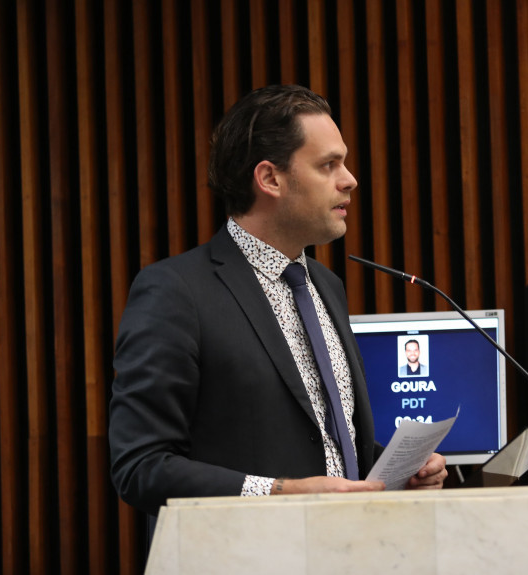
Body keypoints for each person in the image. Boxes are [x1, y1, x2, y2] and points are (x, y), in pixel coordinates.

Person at [109, 85, 447, 523]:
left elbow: (321, 445)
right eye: (329, 165)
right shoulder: (175, 292)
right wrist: (278, 493)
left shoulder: (325, 285)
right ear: (270, 178)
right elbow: (141, 467)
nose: (350, 180)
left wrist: (398, 471)